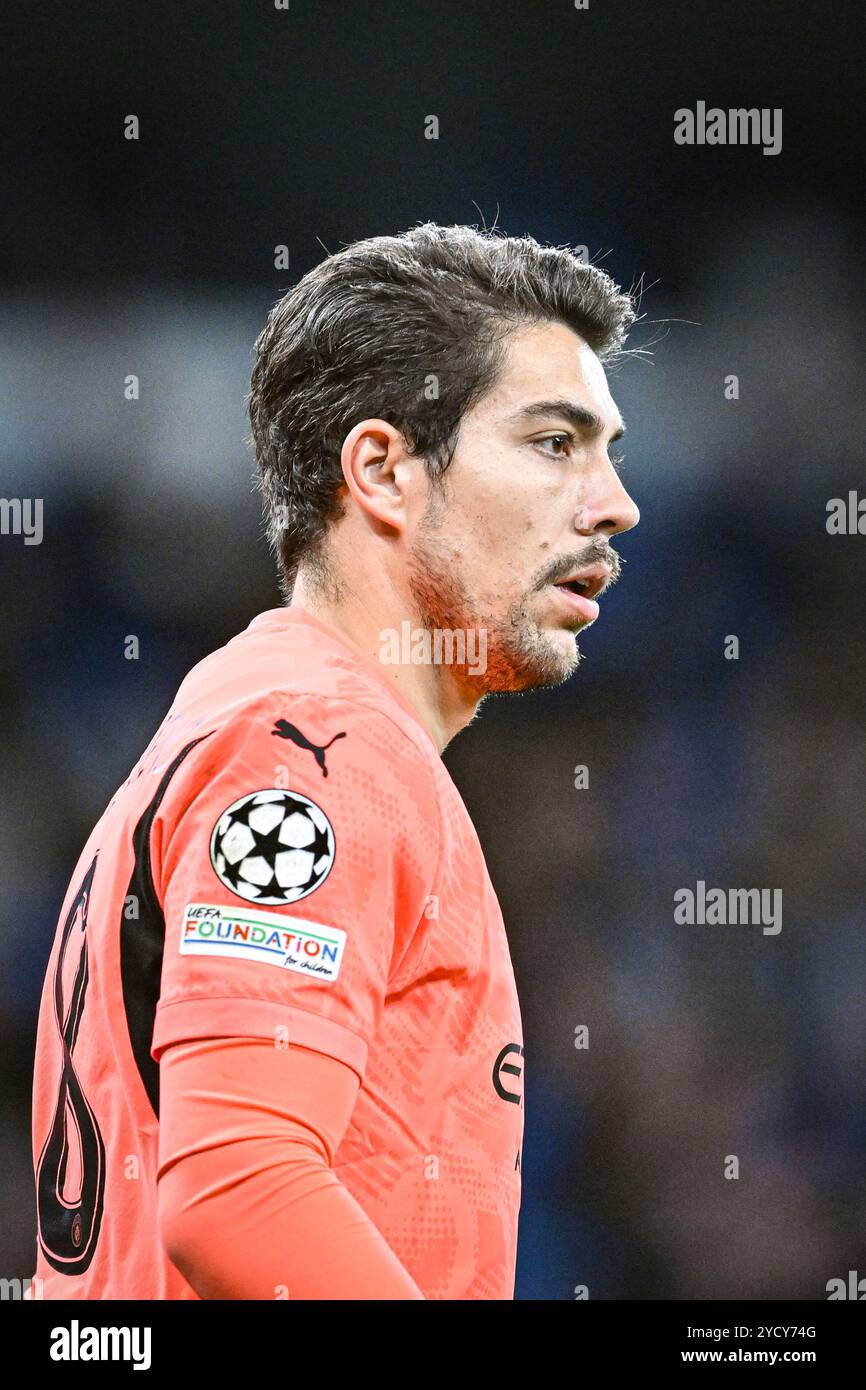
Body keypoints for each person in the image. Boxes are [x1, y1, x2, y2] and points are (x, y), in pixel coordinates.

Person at [30, 222, 640, 1299]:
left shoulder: (251, 719)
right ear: (381, 472)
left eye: (608, 452)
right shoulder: (317, 746)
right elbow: (236, 1189)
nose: (612, 505)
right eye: (554, 442)